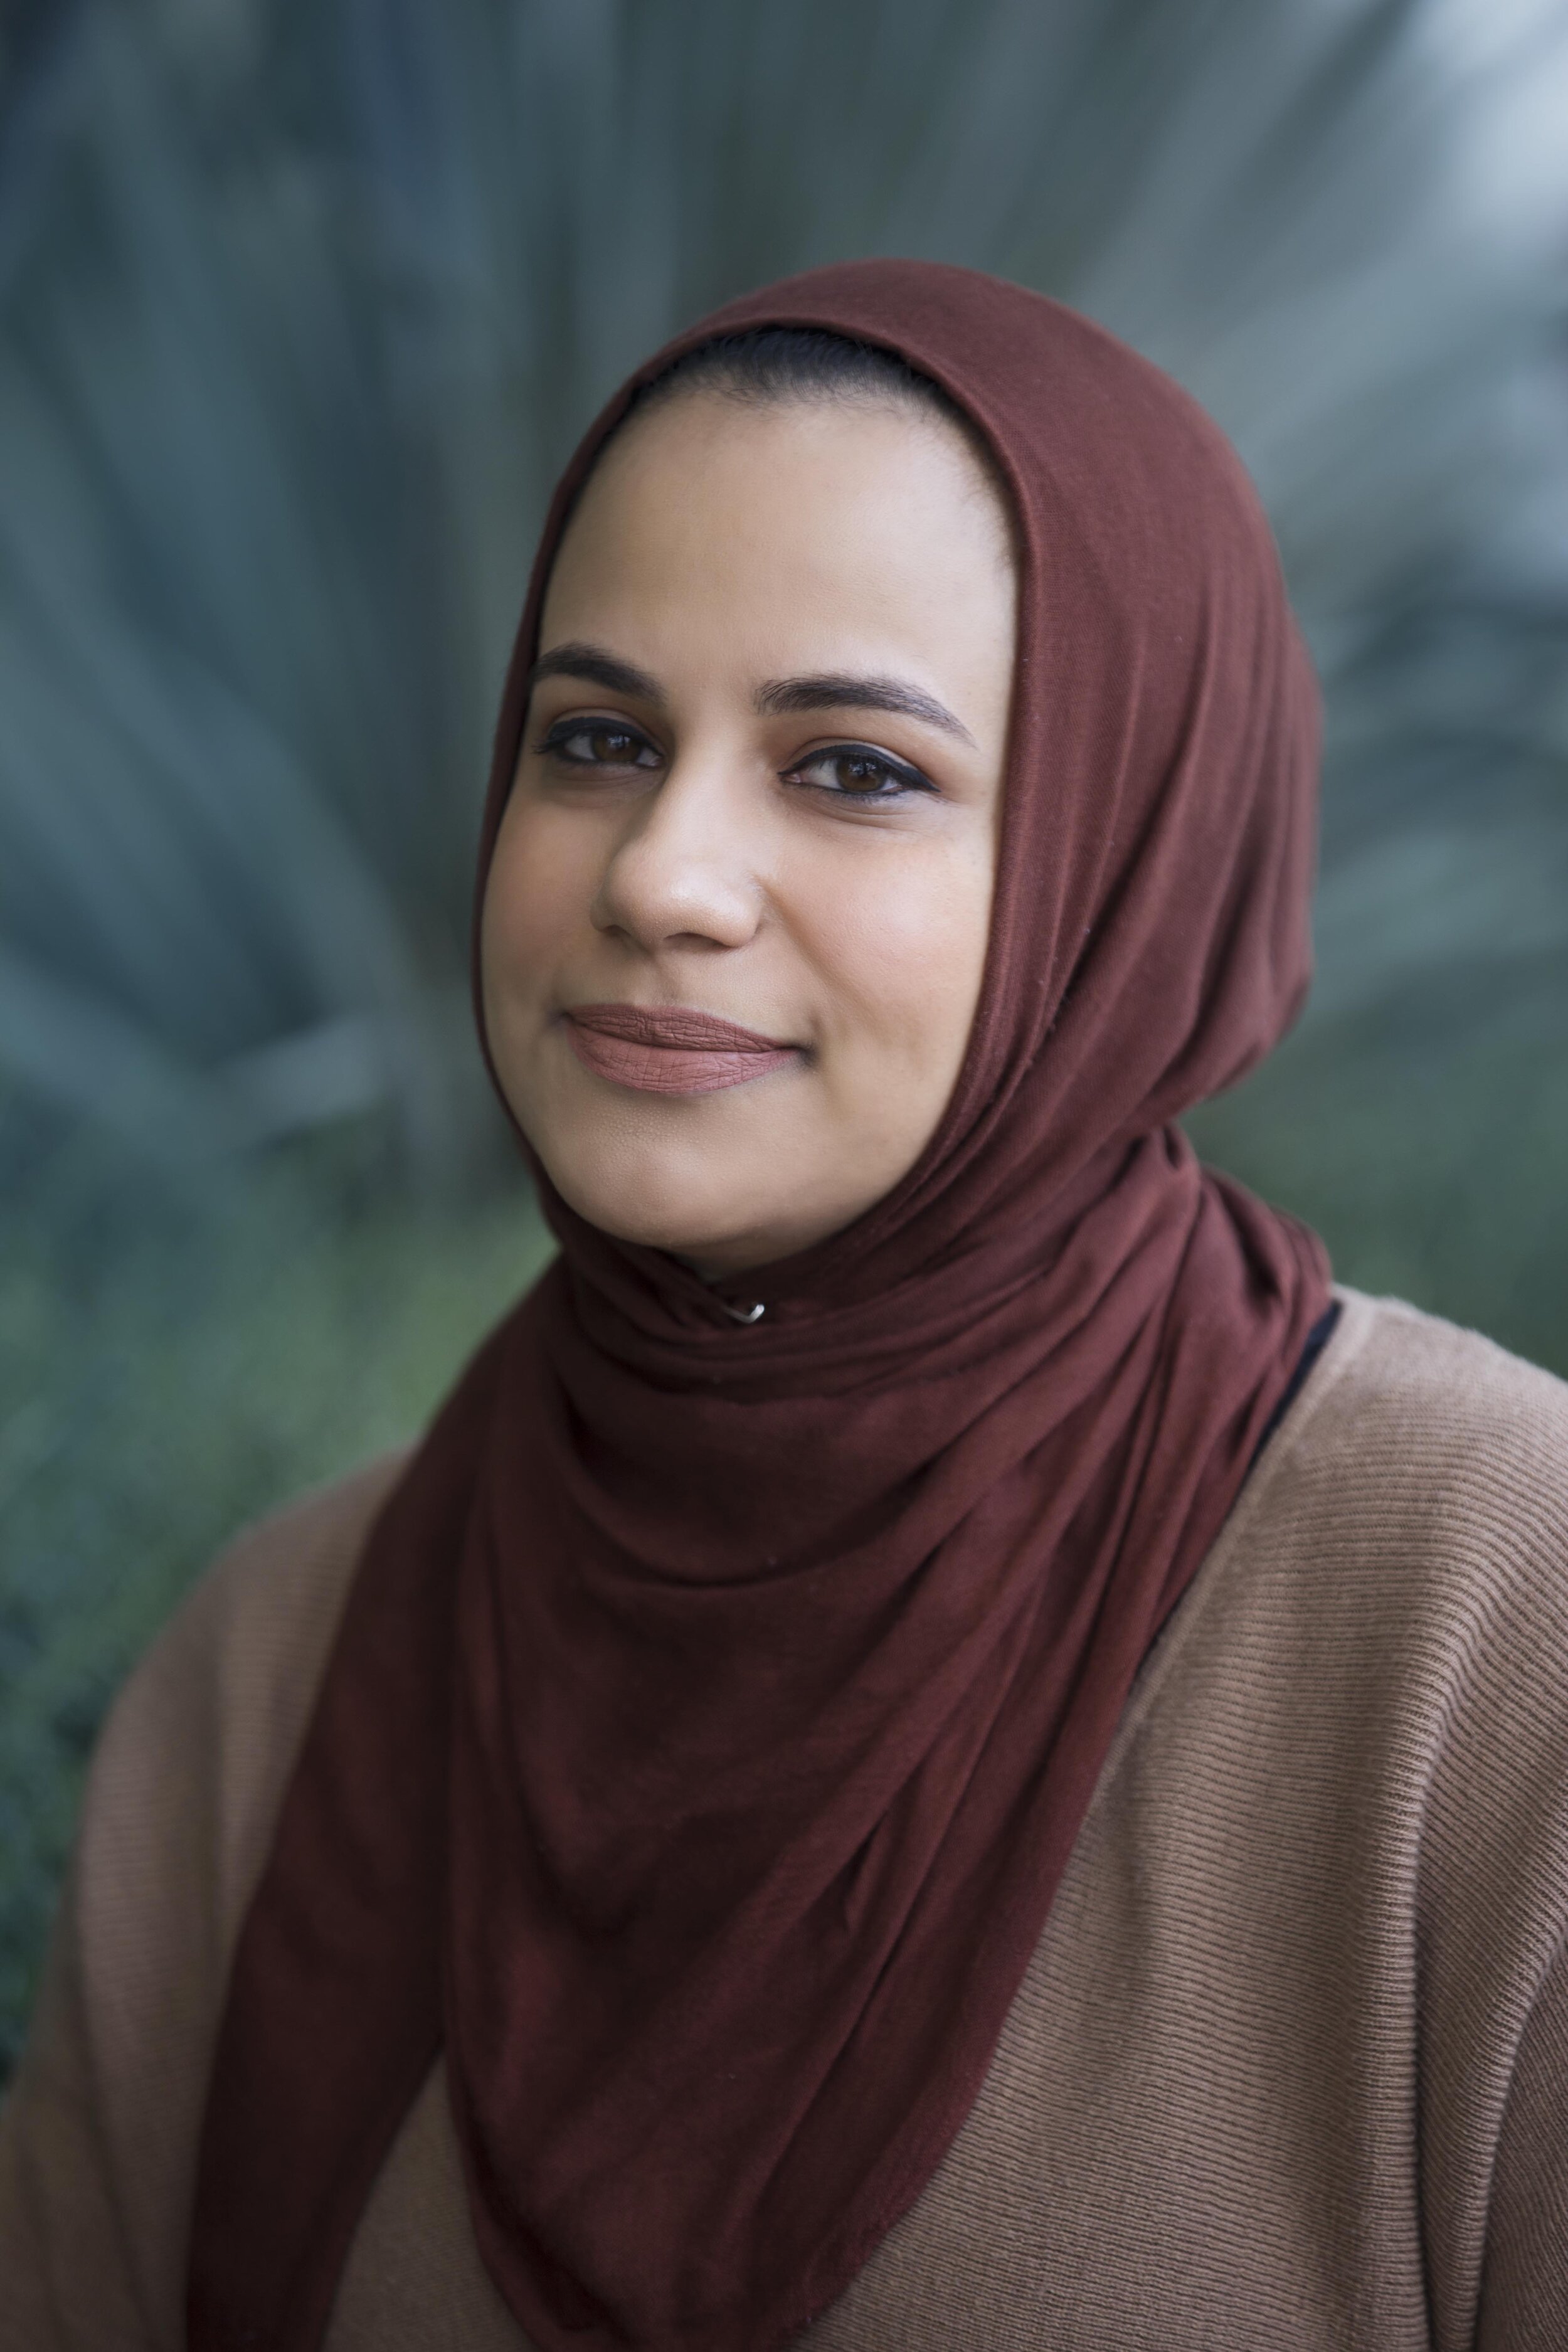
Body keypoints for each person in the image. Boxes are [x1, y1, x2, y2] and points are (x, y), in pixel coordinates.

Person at [2, 260, 1565, 2352]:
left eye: (852, 769)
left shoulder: (1487, 1625)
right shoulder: (277, 1666)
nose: (658, 876)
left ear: (1127, 862)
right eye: (594, 740)